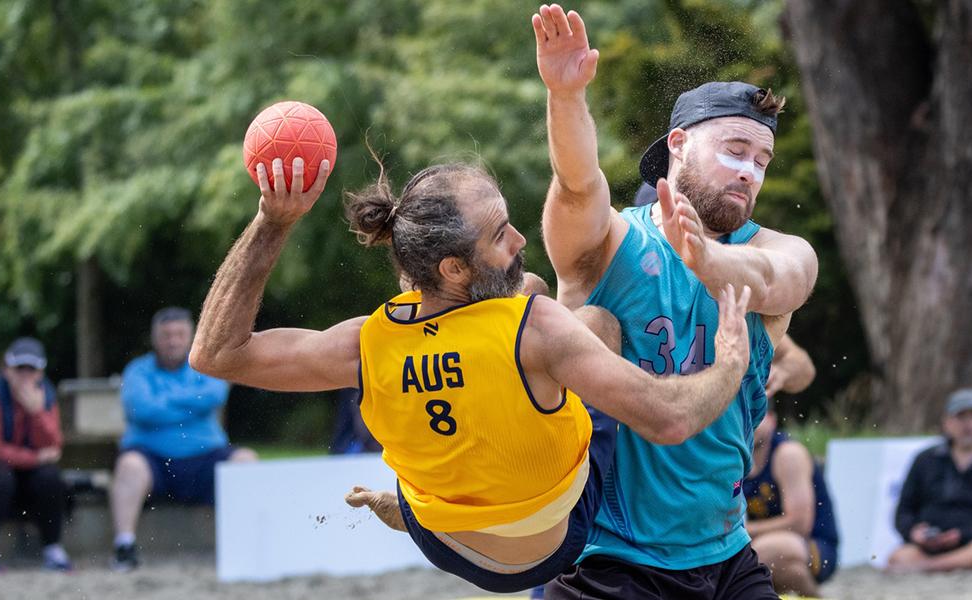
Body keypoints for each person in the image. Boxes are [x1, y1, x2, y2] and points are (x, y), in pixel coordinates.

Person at [188, 150, 755, 593]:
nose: (521, 238)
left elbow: (216, 354)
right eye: (500, 234)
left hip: (445, 540)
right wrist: (731, 359)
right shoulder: (541, 330)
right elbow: (672, 418)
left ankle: (419, 496)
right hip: (554, 540)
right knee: (599, 321)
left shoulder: (363, 342)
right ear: (455, 266)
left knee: (520, 295)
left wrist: (271, 221)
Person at [533, 4, 819, 597]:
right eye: (736, 150)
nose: (751, 173)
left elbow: (778, 277)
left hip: (726, 552)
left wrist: (708, 261)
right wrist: (565, 99)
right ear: (680, 144)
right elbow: (577, 183)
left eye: (762, 161)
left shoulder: (776, 248)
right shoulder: (612, 242)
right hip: (606, 557)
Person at [109, 307, 258, 572]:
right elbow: (141, 409)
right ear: (155, 339)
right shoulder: (137, 370)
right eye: (166, 335)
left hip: (206, 458)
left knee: (246, 460)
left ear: (190, 336)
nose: (173, 340)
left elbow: (214, 396)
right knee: (129, 465)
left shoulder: (206, 363)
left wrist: (164, 403)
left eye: (179, 334)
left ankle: (247, 545)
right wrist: (190, 402)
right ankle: (124, 547)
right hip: (152, 460)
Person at [0, 338, 69, 573]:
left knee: (50, 477)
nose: (25, 375)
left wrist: (36, 413)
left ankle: (53, 548)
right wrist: (34, 459)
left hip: (22, 481)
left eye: (32, 369)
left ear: (40, 372)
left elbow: (53, 446)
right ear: (7, 370)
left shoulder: (45, 397)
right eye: (20, 368)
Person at [886, 389, 972, 573]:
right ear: (947, 423)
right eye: (960, 417)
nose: (968, 424)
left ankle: (930, 568)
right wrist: (914, 533)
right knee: (899, 555)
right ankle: (939, 565)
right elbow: (903, 511)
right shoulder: (924, 460)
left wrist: (964, 534)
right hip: (928, 547)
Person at [743, 407, 838, 596]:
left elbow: (799, 524)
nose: (750, 423)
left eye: (757, 416)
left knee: (753, 557)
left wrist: (741, 531)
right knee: (782, 568)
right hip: (774, 553)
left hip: (813, 543)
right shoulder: (735, 457)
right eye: (744, 416)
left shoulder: (788, 454)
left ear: (772, 420)